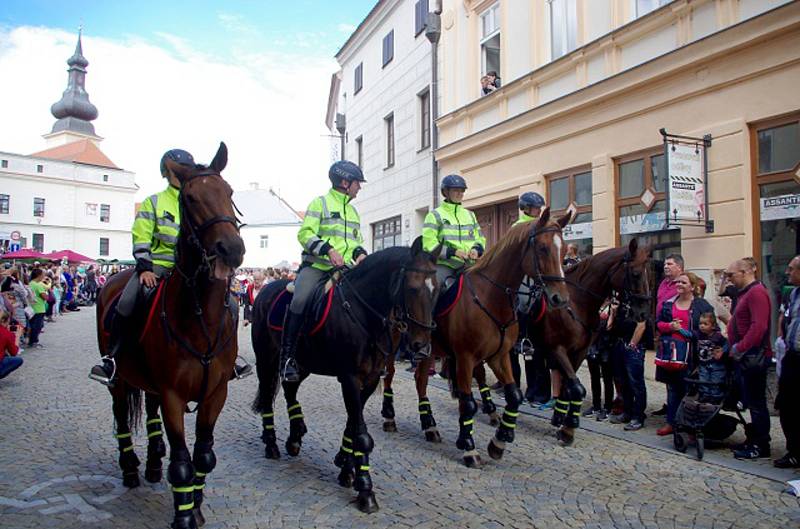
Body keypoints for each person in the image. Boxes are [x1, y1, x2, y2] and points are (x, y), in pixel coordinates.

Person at [90, 148, 251, 385]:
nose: (181, 176)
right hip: (158, 266)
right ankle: (113, 359)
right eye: (176, 173)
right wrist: (144, 266)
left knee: (232, 306)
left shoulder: (202, 195)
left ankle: (229, 358)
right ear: (167, 174)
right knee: (126, 303)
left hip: (195, 270)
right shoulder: (154, 202)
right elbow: (142, 235)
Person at [280, 160, 368, 382]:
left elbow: (355, 241)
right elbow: (305, 234)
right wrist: (327, 250)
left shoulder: (354, 212)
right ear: (345, 182)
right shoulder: (320, 203)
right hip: (318, 267)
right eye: (358, 183)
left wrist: (360, 254)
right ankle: (287, 357)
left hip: (346, 269)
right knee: (300, 299)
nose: (360, 187)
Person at [724, 258, 772, 460]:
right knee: (751, 400)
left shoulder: (756, 293)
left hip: (753, 356)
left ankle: (761, 443)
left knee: (757, 403)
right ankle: (755, 438)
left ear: (744, 272)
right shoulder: (745, 293)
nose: (729, 279)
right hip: (745, 356)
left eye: (731, 275)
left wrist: (739, 347)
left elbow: (758, 327)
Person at [655, 272, 714, 436]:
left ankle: (689, 425)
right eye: (677, 282)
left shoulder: (701, 305)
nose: (679, 284)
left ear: (692, 287)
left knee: (690, 390)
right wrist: (670, 327)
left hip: (692, 354)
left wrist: (687, 333)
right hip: (672, 353)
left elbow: (709, 328)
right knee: (672, 389)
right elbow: (658, 323)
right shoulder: (668, 304)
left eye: (683, 282)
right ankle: (671, 422)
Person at [422, 174, 486, 300]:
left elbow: (480, 238)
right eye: (456, 190)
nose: (460, 193)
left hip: (470, 265)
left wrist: (476, 250)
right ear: (445, 192)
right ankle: (430, 319)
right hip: (445, 265)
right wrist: (453, 252)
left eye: (462, 190)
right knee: (431, 289)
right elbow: (429, 244)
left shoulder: (470, 215)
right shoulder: (435, 215)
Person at [775, 255, 800, 468]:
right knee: (786, 405)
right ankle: (794, 450)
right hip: (792, 356)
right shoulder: (793, 294)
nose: (787, 272)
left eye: (791, 269)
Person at [608, 296, 648, 430]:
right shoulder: (622, 300)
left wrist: (632, 344)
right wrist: (613, 311)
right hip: (619, 342)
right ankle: (627, 411)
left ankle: (638, 416)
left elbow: (641, 325)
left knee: (636, 382)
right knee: (623, 381)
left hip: (633, 346)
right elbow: (611, 325)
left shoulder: (641, 301)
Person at [694, 312, 729, 404]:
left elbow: (727, 343)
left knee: (716, 380)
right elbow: (689, 335)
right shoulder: (698, 335)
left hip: (716, 364)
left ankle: (715, 397)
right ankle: (704, 395)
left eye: (705, 324)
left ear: (713, 326)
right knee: (703, 380)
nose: (702, 326)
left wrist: (722, 351)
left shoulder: (718, 336)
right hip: (703, 363)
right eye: (700, 323)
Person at [27, 268, 48, 348]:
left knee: (32, 325)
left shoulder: (30, 283)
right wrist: (47, 294)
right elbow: (45, 297)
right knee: (37, 326)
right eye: (43, 274)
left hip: (32, 308)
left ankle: (31, 340)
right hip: (39, 307)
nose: (44, 276)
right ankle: (34, 341)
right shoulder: (38, 285)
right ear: (39, 275)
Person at [0, 310, 22, 380]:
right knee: (18, 360)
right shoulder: (6, 333)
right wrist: (17, 336)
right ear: (4, 321)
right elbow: (14, 352)